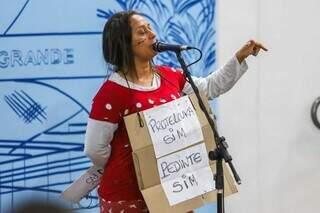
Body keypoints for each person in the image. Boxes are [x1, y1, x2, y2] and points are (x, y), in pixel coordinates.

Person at [84, 10, 267, 213]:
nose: (152, 35)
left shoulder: (170, 76)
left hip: (171, 191)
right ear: (124, 43)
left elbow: (209, 87)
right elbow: (95, 149)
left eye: (150, 28)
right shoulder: (111, 93)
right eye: (142, 32)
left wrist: (240, 57)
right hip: (128, 198)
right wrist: (134, 163)